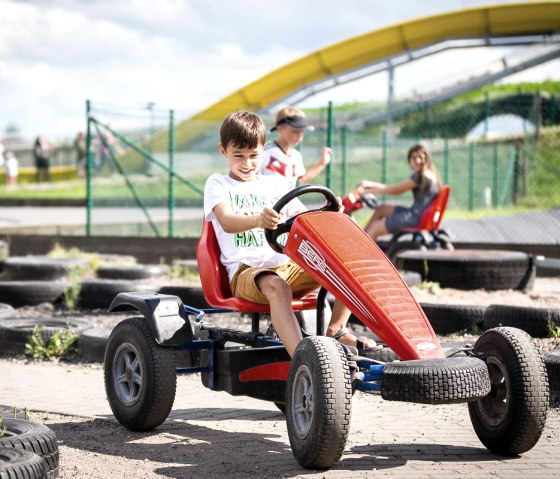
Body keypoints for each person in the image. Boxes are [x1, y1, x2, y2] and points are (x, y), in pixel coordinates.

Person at [204, 110, 377, 356]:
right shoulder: (218, 184)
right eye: (238, 156)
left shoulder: (275, 184)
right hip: (245, 271)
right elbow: (226, 221)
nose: (247, 163)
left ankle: (336, 330)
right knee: (278, 286)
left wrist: (329, 212)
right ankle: (302, 358)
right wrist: (257, 220)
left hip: (284, 266)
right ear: (224, 151)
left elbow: (305, 219)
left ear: (262, 150)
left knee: (345, 266)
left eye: (253, 155)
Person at [352, 143, 442, 241]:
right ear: (409, 160)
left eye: (420, 157)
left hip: (415, 218)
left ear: (426, 159)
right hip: (418, 215)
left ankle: (362, 249)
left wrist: (367, 191)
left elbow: (395, 190)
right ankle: (360, 240)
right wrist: (370, 185)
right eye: (413, 158)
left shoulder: (421, 177)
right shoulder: (431, 175)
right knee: (382, 209)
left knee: (375, 227)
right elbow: (394, 188)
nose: (417, 161)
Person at [260, 106, 331, 188]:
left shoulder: (296, 156)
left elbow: (303, 179)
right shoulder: (265, 151)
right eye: (295, 131)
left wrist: (322, 163)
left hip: (287, 200)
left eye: (302, 132)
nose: (299, 136)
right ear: (280, 128)